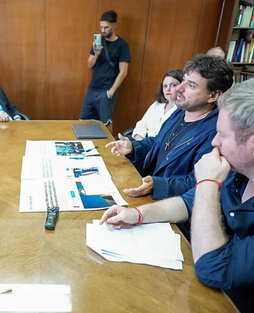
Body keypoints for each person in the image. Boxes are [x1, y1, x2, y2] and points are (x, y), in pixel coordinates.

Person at [100, 78, 254, 312]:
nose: (215, 142)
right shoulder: (239, 171)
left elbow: (215, 268)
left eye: (222, 135)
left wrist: (207, 183)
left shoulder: (225, 170)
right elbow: (187, 202)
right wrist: (137, 214)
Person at [105, 54, 233, 200]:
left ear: (214, 95)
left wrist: (158, 185)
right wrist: (133, 148)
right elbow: (159, 143)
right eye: (184, 80)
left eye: (191, 85)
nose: (179, 88)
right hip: (145, 188)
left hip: (167, 204)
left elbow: (199, 182)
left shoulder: (215, 134)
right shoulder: (180, 112)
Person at [80, 10, 131, 133]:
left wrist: (111, 92)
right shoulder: (99, 42)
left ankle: (108, 150)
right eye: (101, 27)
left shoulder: (122, 45)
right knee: (83, 122)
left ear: (114, 25)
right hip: (92, 89)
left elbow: (123, 71)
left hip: (106, 91)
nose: (103, 30)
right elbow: (89, 65)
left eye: (106, 27)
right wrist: (96, 54)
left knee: (106, 124)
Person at [132, 69, 183, 140]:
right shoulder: (157, 104)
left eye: (173, 85)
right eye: (165, 86)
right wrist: (139, 140)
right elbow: (142, 123)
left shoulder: (183, 111)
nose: (168, 89)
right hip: (142, 141)